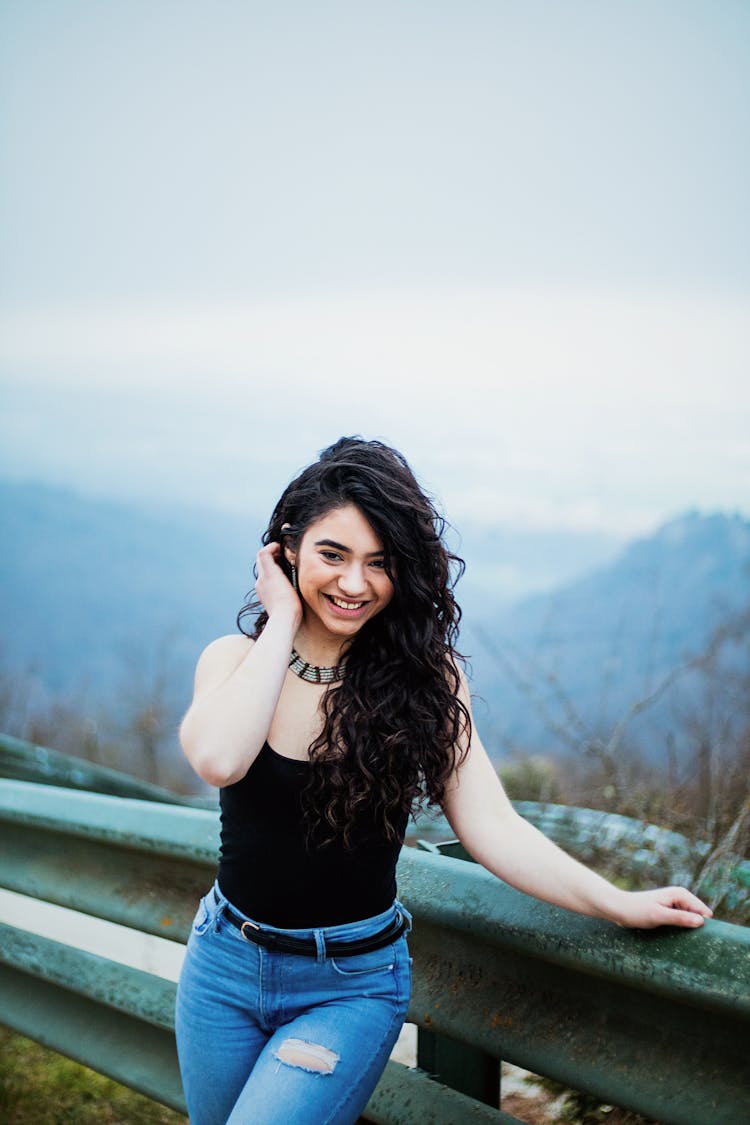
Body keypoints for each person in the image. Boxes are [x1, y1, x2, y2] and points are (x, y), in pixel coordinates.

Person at [175, 436, 711, 1125]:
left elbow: (491, 823)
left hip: (348, 986)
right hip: (222, 963)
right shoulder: (232, 662)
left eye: (380, 562)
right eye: (331, 554)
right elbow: (220, 759)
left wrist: (616, 901)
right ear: (286, 551)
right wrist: (282, 618)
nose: (353, 582)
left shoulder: (426, 682)